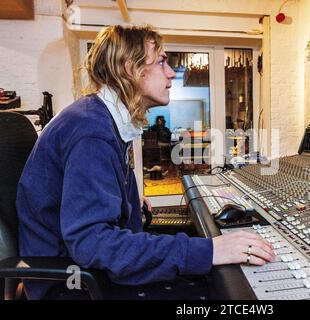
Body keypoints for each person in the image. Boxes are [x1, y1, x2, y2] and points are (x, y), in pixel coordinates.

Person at [16, 24, 275, 300]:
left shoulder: (101, 118)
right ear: (130, 69)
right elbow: (92, 243)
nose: (171, 73)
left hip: (80, 269)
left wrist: (126, 203)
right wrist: (210, 251)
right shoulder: (91, 130)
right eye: (161, 61)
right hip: (73, 285)